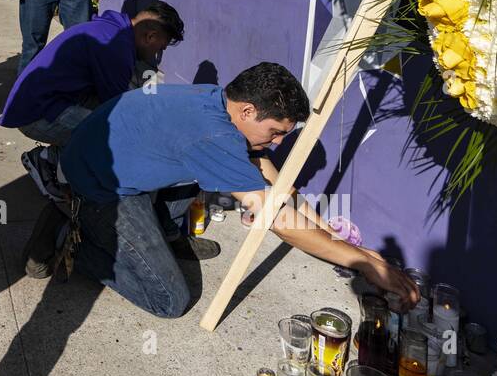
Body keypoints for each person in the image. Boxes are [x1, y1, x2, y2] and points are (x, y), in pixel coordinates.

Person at [39, 63, 421, 318]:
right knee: (170, 301)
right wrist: (365, 264)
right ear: (249, 111)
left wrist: (332, 235)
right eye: (275, 133)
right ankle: (75, 243)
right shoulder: (214, 135)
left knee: (212, 171)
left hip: (116, 159)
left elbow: (271, 180)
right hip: (99, 188)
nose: (274, 143)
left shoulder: (218, 100)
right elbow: (278, 220)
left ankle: (165, 235)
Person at [0, 0, 185, 277]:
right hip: (38, 115)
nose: (157, 56)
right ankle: (55, 174)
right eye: (159, 48)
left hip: (45, 100)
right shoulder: (114, 48)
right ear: (150, 35)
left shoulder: (111, 28)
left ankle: (64, 162)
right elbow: (119, 115)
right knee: (108, 152)